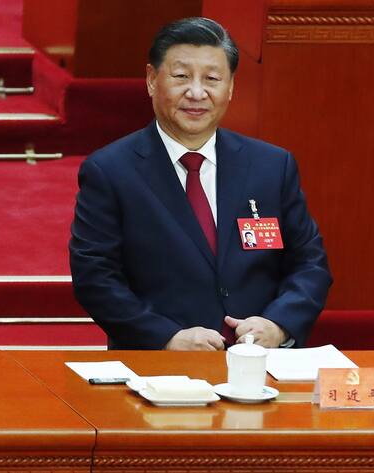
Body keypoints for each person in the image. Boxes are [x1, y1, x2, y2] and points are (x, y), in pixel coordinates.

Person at [69, 17, 331, 350]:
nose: (196, 92)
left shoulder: (272, 166)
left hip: (259, 365)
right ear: (151, 80)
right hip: (156, 368)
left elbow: (310, 263)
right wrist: (167, 337)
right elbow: (95, 278)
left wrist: (278, 324)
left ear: (231, 87)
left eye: (212, 79)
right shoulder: (110, 170)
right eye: (180, 77)